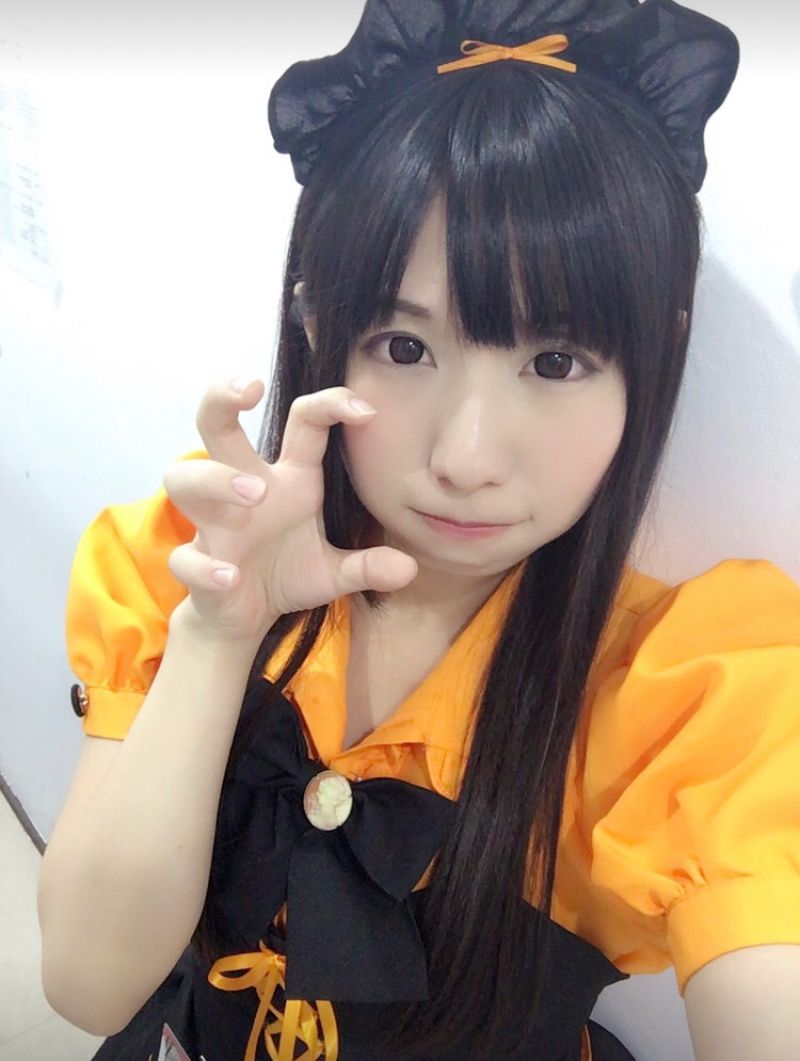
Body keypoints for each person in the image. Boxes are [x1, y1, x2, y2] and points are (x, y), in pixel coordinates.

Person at [38, 1, 800, 1059]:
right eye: (404, 347)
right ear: (319, 323)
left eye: (555, 362)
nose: (466, 455)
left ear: (652, 357)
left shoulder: (684, 692)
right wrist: (216, 635)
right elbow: (86, 984)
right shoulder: (180, 560)